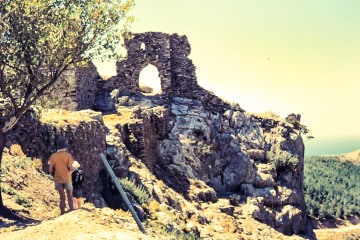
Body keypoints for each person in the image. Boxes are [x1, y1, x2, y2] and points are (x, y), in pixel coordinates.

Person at [48, 137, 74, 215]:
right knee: (69, 195)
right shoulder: (68, 155)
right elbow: (71, 168)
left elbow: (50, 170)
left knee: (62, 197)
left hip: (58, 178)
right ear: (65, 147)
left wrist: (54, 171)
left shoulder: (53, 156)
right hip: (67, 178)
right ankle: (71, 210)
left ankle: (62, 213)